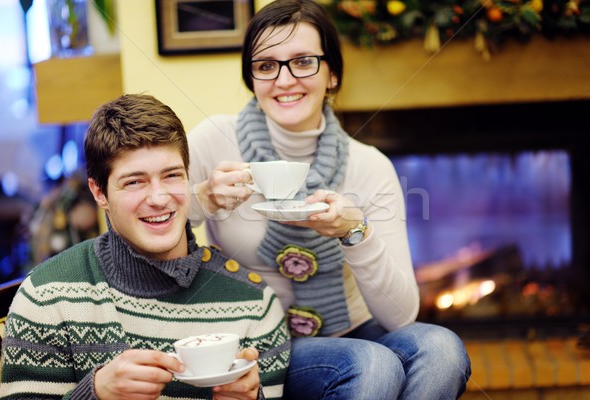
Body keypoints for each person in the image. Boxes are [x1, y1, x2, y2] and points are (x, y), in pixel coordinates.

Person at [187, 0, 471, 398]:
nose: (284, 79)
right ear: (251, 77)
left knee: (440, 348)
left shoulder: (369, 166)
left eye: (303, 61)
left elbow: (402, 316)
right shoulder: (215, 139)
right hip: (256, 337)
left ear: (333, 74)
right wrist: (203, 198)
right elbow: (148, 224)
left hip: (351, 327)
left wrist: (354, 232)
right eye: (266, 65)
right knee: (371, 364)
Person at [0, 94, 290, 400]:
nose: (159, 198)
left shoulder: (256, 306)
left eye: (172, 175)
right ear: (99, 193)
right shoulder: (47, 297)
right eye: (134, 182)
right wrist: (96, 393)